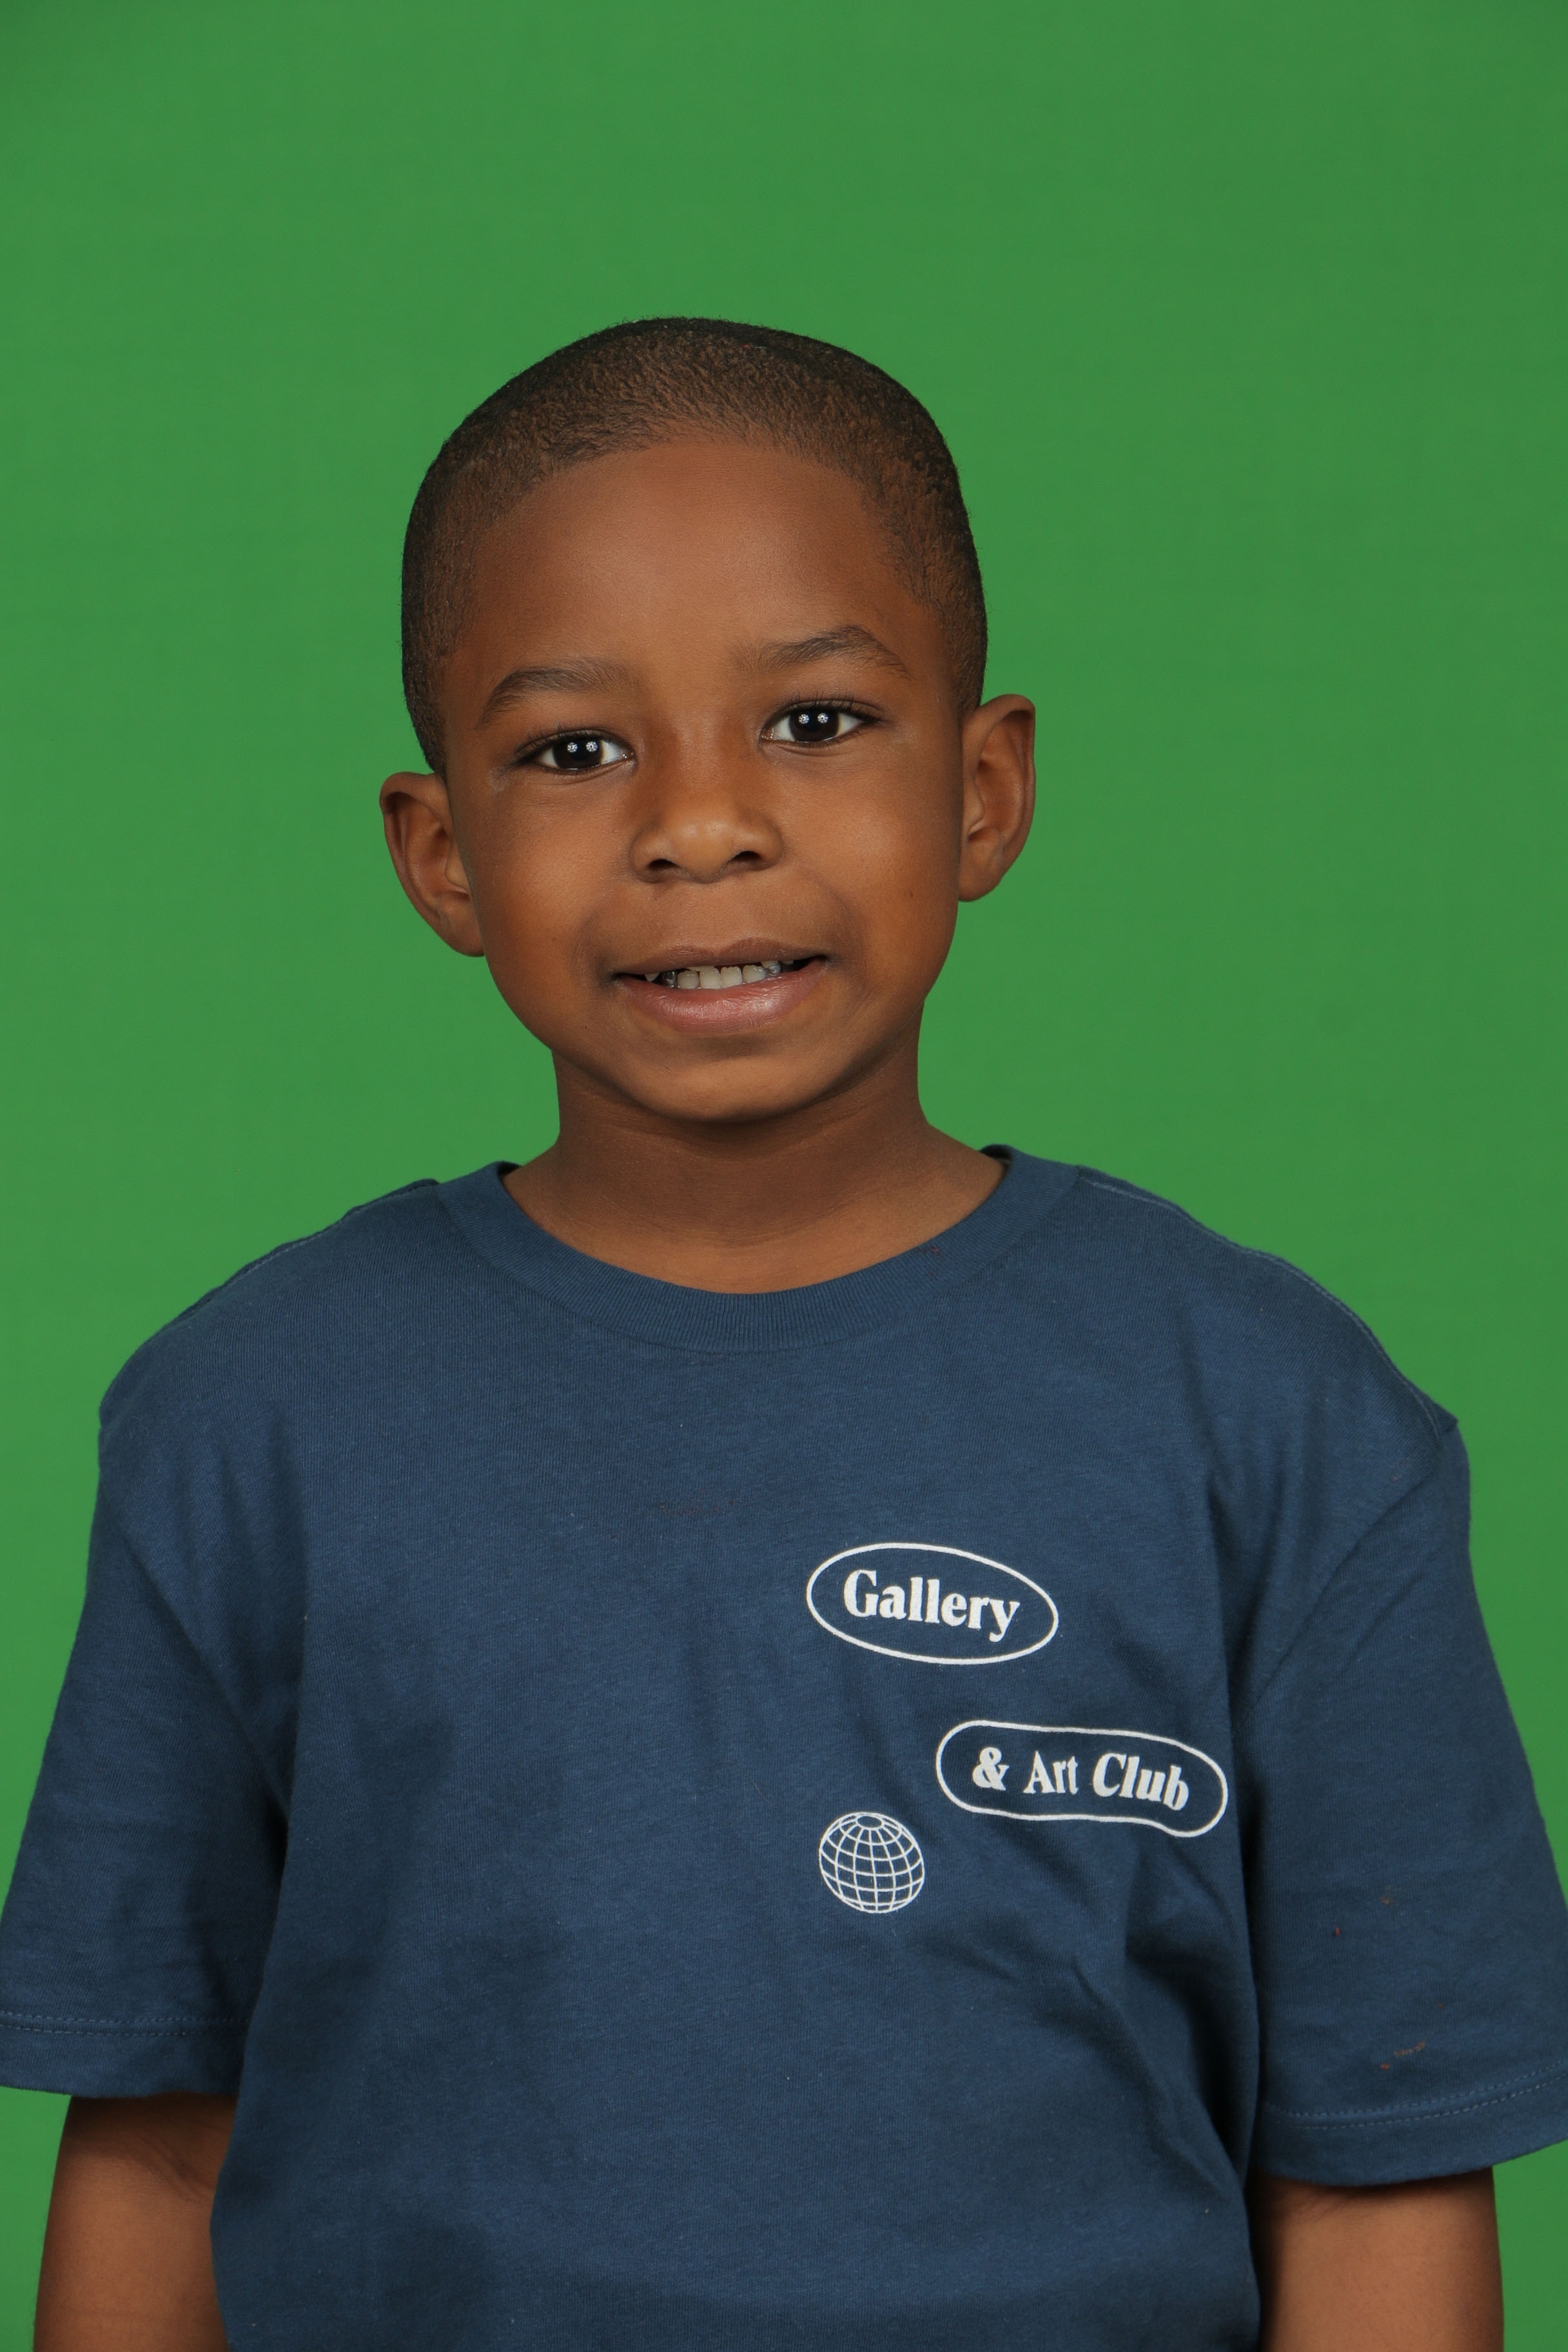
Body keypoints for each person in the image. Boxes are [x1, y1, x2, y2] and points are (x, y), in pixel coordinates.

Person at [2, 319, 1564, 2352]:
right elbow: (159, 2146)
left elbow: (1379, 2183)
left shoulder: (1282, 1425)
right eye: (575, 751)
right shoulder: (249, 1419)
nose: (702, 824)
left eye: (816, 722)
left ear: (984, 789)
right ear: (439, 852)